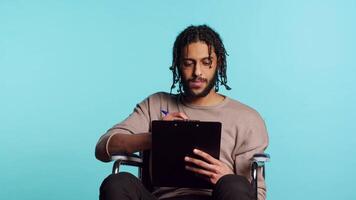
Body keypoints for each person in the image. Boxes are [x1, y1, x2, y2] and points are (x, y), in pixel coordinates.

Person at [95, 25, 269, 200]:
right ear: (178, 65)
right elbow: (103, 149)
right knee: (117, 182)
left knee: (234, 183)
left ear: (219, 63)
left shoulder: (247, 118)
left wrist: (226, 176)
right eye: (188, 63)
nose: (197, 72)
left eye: (206, 62)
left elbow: (257, 194)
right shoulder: (156, 104)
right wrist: (157, 136)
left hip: (218, 196)